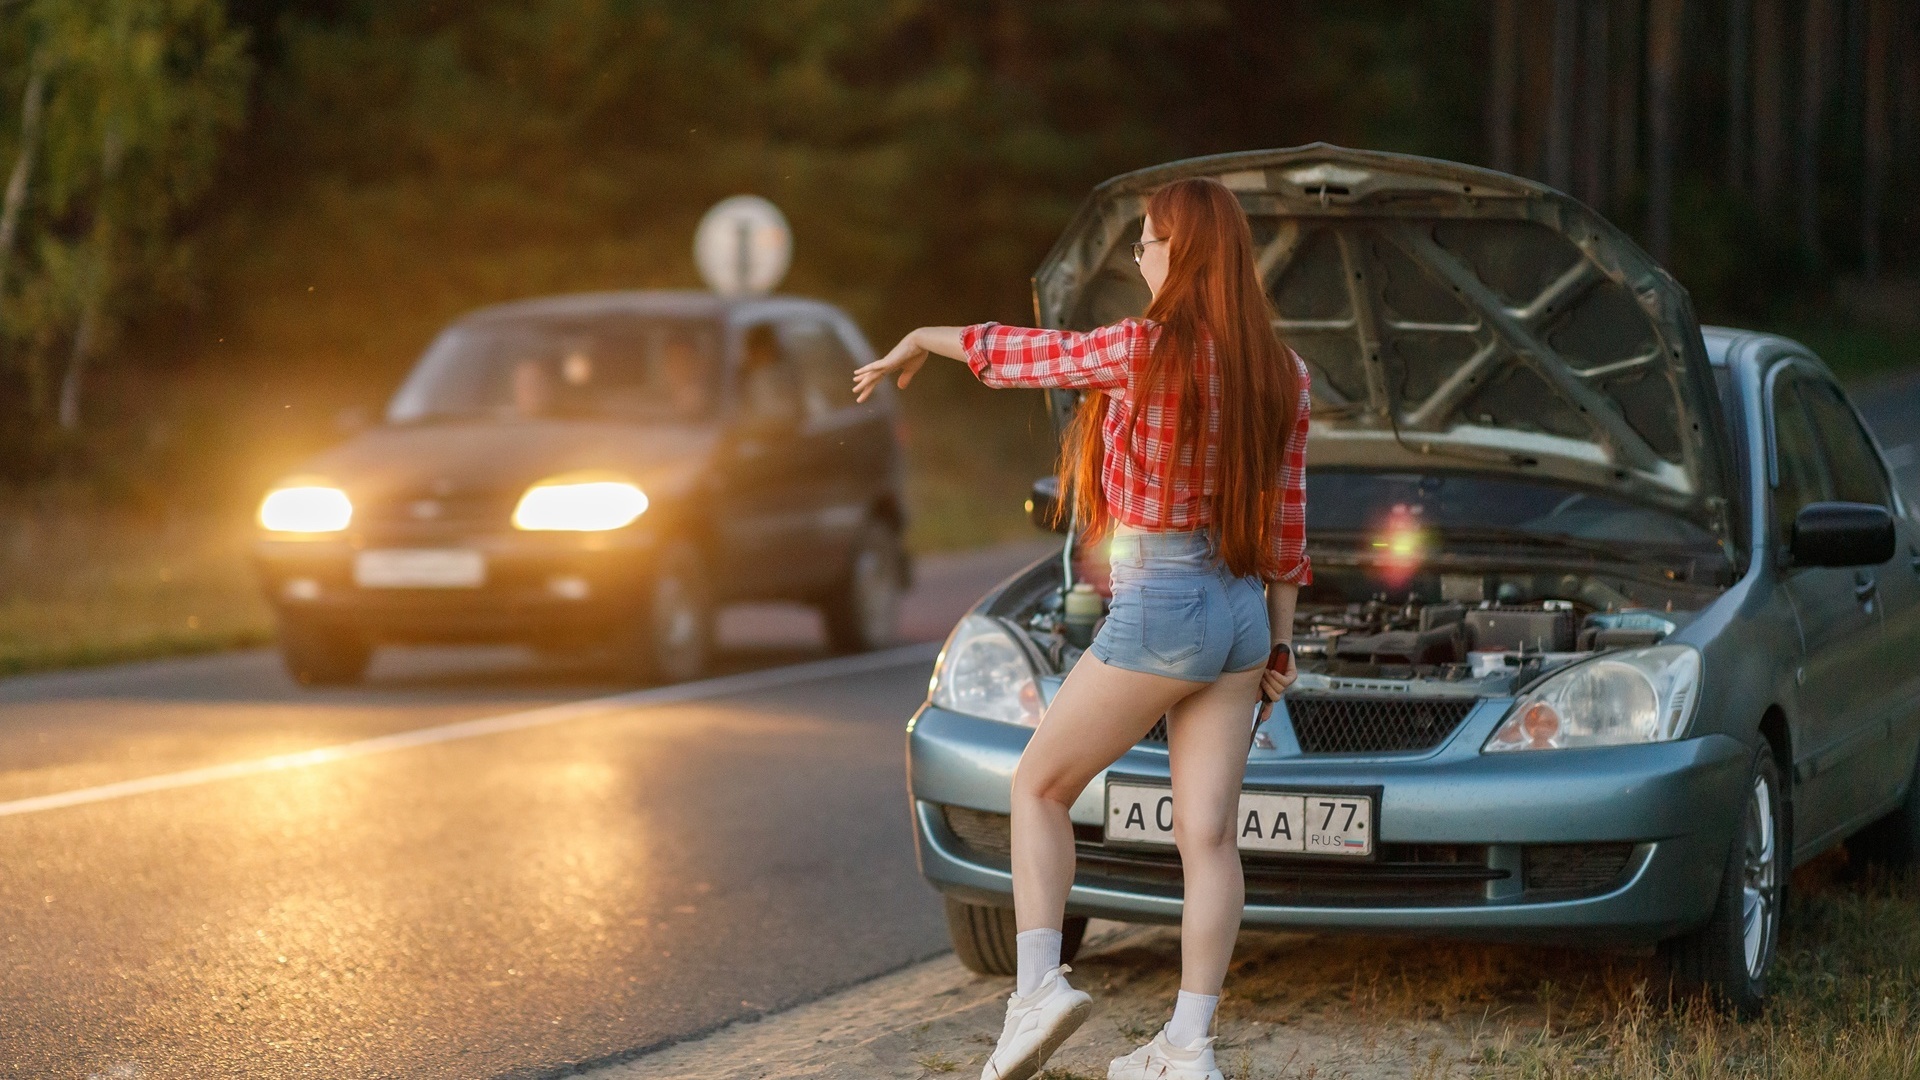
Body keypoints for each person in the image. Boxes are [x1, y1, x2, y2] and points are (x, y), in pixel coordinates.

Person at [853, 177, 1310, 1080]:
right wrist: (1282, 644)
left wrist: (920, 340)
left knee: (1037, 787)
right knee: (1210, 838)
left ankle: (1037, 992)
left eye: (1145, 240)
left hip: (1166, 602)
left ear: (1179, 252)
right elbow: (1291, 523)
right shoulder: (1281, 371)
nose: (1137, 255)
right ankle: (1188, 1045)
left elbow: (1023, 354)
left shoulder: (1144, 350)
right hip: (1242, 613)